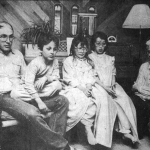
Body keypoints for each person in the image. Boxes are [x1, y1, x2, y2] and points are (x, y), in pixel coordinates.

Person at [0, 21, 80, 150]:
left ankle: (51, 148)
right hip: (5, 97)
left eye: (10, 36)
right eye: (3, 36)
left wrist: (45, 80)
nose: (8, 40)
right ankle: (62, 146)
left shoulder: (18, 55)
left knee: (62, 101)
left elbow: (27, 78)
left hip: (23, 93)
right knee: (32, 112)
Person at [60, 35, 116, 147]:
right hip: (74, 87)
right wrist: (83, 89)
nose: (82, 51)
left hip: (88, 86)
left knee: (99, 100)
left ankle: (97, 134)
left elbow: (92, 76)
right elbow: (69, 79)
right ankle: (87, 128)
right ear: (73, 48)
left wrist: (89, 86)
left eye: (84, 48)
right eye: (79, 48)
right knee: (82, 99)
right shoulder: (69, 61)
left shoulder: (89, 61)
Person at [89, 31, 139, 146]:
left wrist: (111, 86)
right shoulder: (91, 57)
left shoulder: (110, 58)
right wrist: (106, 88)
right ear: (93, 44)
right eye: (98, 44)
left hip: (112, 85)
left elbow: (113, 74)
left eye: (103, 44)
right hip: (99, 86)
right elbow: (93, 77)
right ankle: (121, 132)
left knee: (125, 99)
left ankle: (128, 131)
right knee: (110, 102)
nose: (101, 47)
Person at [131, 39, 150, 139]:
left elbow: (138, 87)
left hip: (144, 97)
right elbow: (135, 87)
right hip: (142, 98)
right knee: (135, 101)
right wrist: (144, 91)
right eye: (148, 51)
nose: (149, 55)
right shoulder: (144, 66)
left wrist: (140, 89)